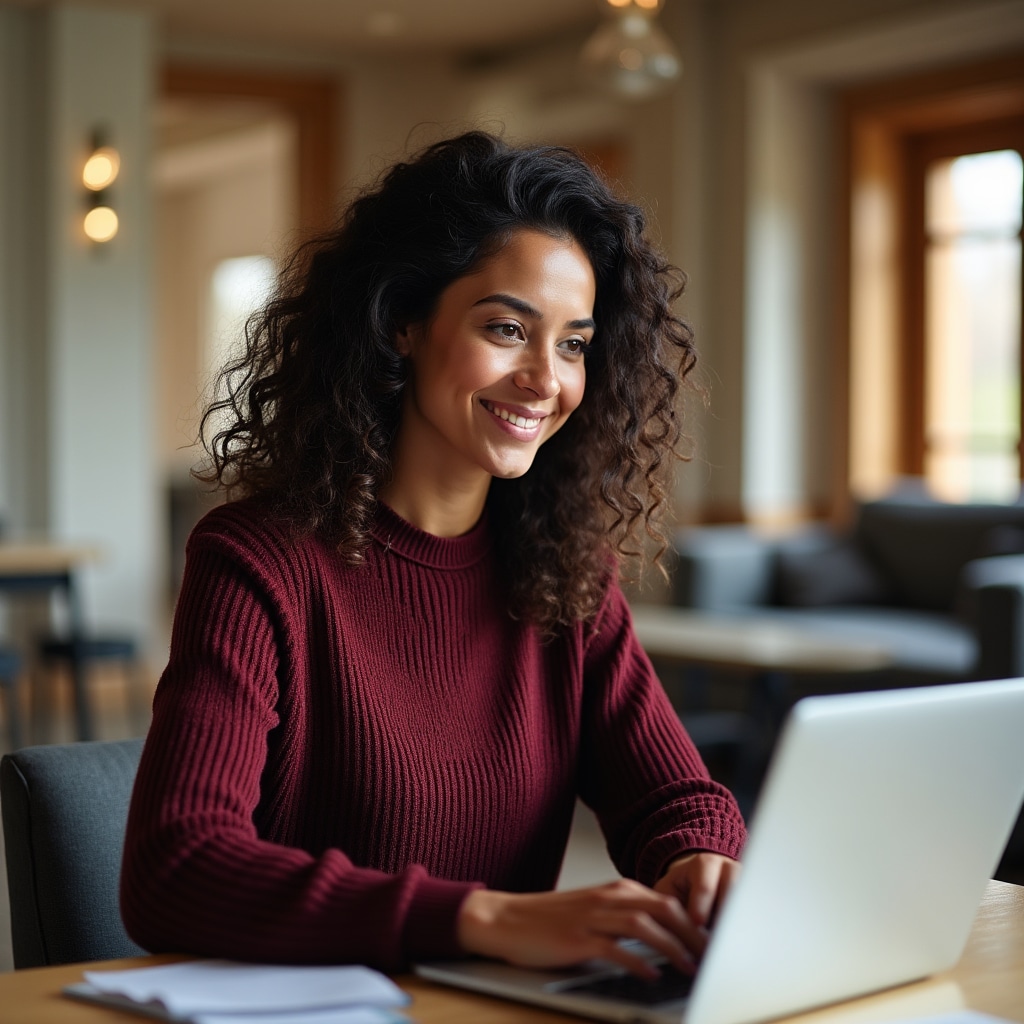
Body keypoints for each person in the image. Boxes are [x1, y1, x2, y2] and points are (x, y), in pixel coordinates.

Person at [121, 130, 746, 979]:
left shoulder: (566, 573)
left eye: (572, 343)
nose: (544, 377)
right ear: (404, 324)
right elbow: (176, 872)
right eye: (505, 328)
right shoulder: (257, 561)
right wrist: (484, 920)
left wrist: (698, 865)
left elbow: (673, 798)